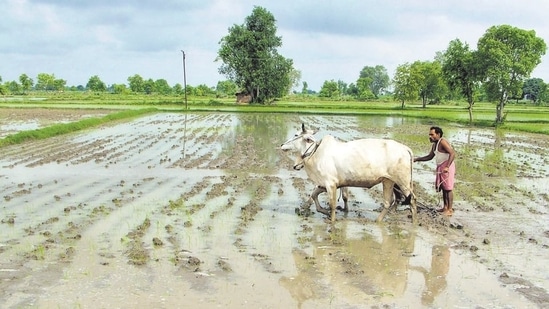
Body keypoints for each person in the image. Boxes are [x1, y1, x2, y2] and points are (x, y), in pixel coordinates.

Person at [414, 126, 456, 216]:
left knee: (448, 188)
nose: (430, 136)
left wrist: (447, 166)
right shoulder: (435, 145)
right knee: (444, 188)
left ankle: (450, 209)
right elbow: (429, 157)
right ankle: (445, 207)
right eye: (429, 134)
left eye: (432, 134)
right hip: (441, 167)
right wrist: (417, 159)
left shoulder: (442, 142)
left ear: (438, 134)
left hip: (447, 166)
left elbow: (452, 153)